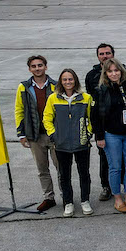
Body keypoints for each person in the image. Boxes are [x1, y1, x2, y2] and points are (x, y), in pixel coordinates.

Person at [93, 58, 126, 214]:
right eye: (110, 71)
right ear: (106, 73)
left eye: (116, 70)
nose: (114, 74)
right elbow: (95, 115)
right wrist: (99, 136)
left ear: (121, 71)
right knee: (115, 167)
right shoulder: (101, 90)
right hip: (111, 135)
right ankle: (118, 199)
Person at [42, 68, 94, 217]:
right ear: (61, 81)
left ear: (75, 80)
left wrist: (88, 133)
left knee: (84, 174)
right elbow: (47, 118)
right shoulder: (53, 98)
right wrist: (54, 135)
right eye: (64, 79)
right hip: (61, 144)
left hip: (81, 144)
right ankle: (68, 202)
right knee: (64, 175)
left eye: (70, 79)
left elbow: (91, 118)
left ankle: (85, 200)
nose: (68, 82)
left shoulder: (86, 97)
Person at [15, 55, 59, 212]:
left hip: (54, 135)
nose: (37, 68)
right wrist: (21, 134)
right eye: (33, 66)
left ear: (46, 67)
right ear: (29, 69)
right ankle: (49, 198)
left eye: (40, 65)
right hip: (35, 135)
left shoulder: (56, 85)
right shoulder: (24, 87)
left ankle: (66, 196)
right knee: (42, 169)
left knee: (61, 167)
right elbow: (19, 110)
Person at [86, 43, 115, 200]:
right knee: (104, 157)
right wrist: (97, 132)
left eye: (108, 53)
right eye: (102, 54)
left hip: (121, 123)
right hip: (103, 124)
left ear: (113, 54)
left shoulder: (122, 71)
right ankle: (106, 186)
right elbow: (91, 103)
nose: (105, 56)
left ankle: (123, 187)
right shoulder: (91, 75)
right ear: (98, 56)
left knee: (123, 159)